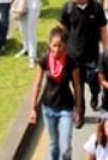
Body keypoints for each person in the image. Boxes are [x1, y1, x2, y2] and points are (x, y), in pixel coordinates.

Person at [28, 25, 82, 160]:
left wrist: (78, 108)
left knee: (66, 147)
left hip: (66, 108)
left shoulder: (71, 62)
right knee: (53, 145)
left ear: (65, 46)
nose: (57, 49)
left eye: (60, 46)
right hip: (48, 108)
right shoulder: (44, 60)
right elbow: (38, 84)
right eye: (54, 46)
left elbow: (77, 86)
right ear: (49, 45)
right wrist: (33, 108)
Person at [59, 0, 108, 117]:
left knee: (93, 81)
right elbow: (63, 30)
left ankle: (95, 95)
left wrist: (104, 50)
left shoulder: (96, 8)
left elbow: (103, 30)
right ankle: (80, 112)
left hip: (91, 55)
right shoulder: (67, 8)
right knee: (77, 85)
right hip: (73, 55)